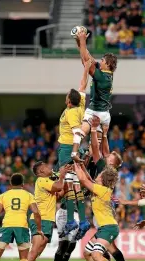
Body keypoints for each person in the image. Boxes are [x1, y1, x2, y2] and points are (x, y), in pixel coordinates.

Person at [83, 116, 136, 261]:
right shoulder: (110, 169)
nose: (108, 155)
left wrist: (94, 131)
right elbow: (105, 151)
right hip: (106, 209)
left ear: (113, 162)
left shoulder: (104, 169)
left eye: (111, 156)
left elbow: (100, 151)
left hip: (103, 212)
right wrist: (104, 134)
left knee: (103, 248)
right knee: (109, 247)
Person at [14, 162, 70, 261]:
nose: (49, 166)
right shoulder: (41, 180)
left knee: (37, 251)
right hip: (40, 219)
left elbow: (58, 196)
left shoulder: (47, 182)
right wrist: (62, 176)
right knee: (34, 250)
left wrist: (66, 184)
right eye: (45, 166)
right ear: (40, 172)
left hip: (47, 220)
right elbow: (59, 186)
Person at [74, 163, 127, 261]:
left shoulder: (102, 190)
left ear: (102, 180)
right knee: (87, 253)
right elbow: (87, 178)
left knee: (96, 255)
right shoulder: (99, 188)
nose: (96, 176)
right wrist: (81, 165)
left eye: (99, 175)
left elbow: (83, 179)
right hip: (103, 228)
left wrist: (75, 162)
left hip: (109, 227)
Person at [57, 60, 92, 237]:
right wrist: (86, 68)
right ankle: (83, 221)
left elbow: (76, 130)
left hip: (67, 148)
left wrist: (74, 147)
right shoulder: (80, 105)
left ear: (69, 101)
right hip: (75, 149)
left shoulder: (71, 112)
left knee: (69, 185)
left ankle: (71, 220)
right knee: (76, 184)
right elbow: (83, 85)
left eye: (66, 96)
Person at [72, 30, 118, 157]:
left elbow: (85, 62)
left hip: (94, 112)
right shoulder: (106, 74)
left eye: (102, 60)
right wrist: (79, 41)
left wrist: (82, 41)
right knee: (94, 150)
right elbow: (88, 57)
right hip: (104, 115)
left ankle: (74, 154)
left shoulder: (103, 77)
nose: (100, 61)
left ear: (107, 64)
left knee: (81, 134)